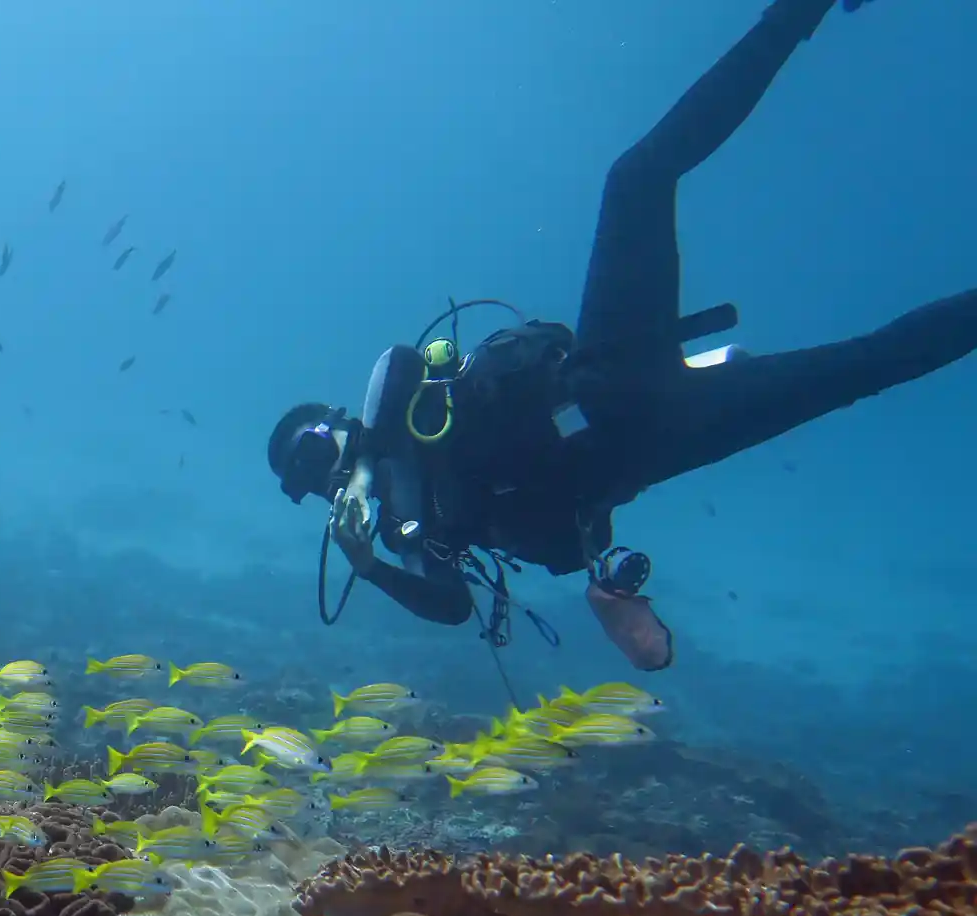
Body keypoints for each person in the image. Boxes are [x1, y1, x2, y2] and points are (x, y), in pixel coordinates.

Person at [267, 0, 975, 671]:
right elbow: (452, 609)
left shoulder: (398, 412)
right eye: (308, 480)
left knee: (636, 178)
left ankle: (796, 13)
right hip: (655, 442)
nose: (320, 474)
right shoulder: (406, 530)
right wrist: (370, 568)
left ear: (336, 423)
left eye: (314, 450)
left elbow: (396, 364)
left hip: (606, 371)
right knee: (860, 368)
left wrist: (361, 466)